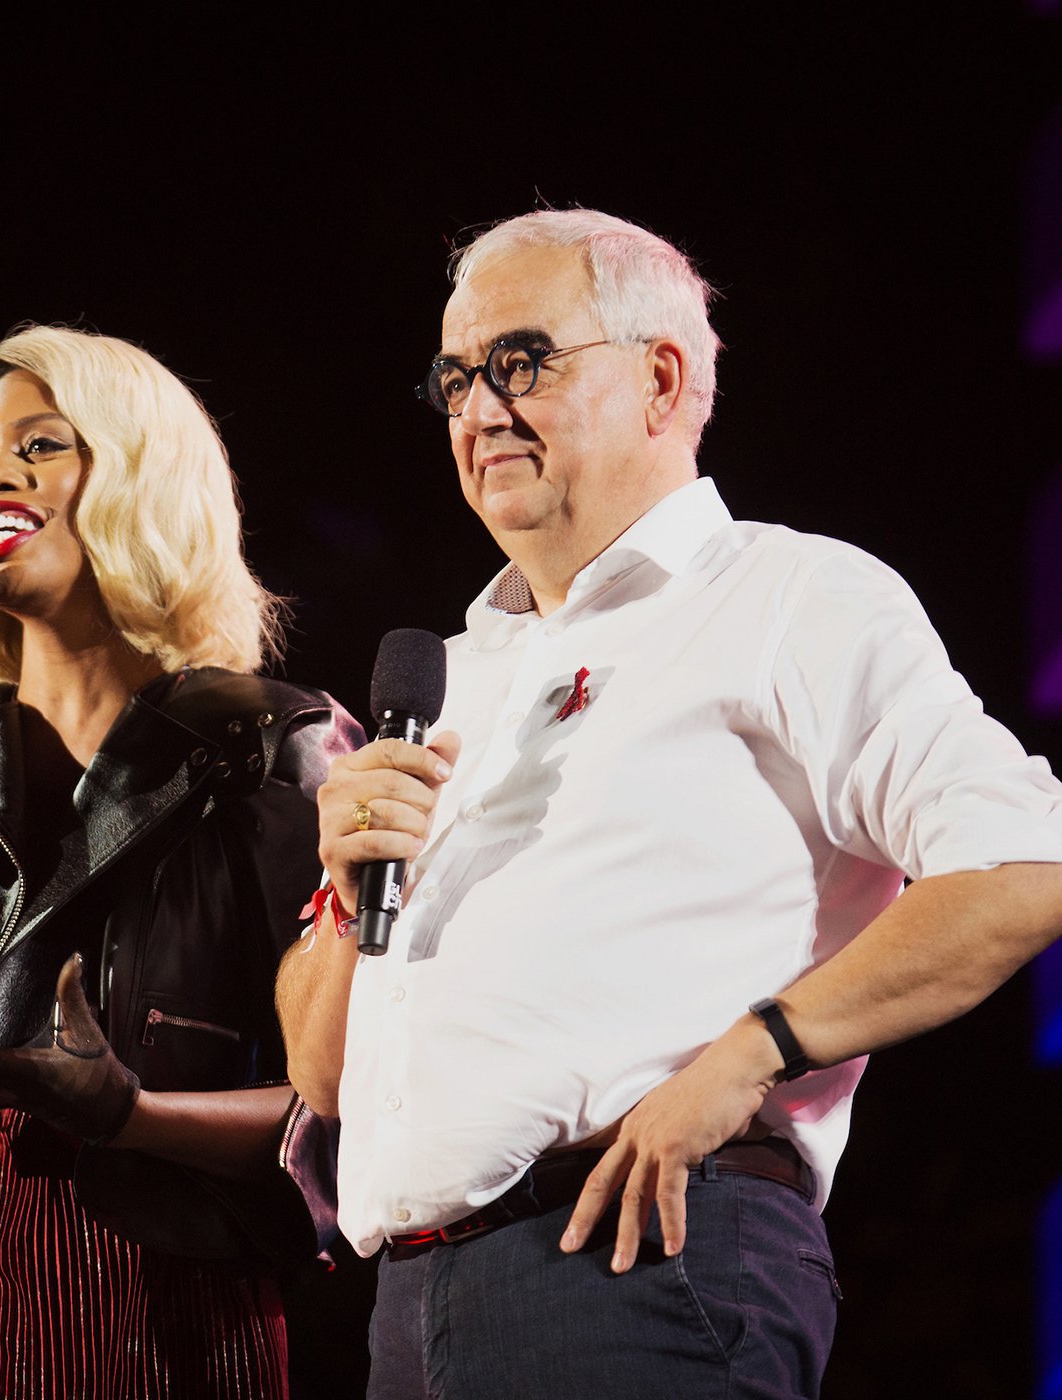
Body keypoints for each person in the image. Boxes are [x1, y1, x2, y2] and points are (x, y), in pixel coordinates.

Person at [275, 208, 1062, 1398]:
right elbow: (323, 1080)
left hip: (638, 1265)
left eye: (520, 362)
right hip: (412, 1309)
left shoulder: (789, 594)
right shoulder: (450, 675)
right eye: (454, 378)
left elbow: (1024, 863)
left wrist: (753, 1053)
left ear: (660, 376)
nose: (479, 407)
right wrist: (346, 896)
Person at [0, 324, 361, 1398]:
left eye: (41, 445)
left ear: (141, 474)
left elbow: (347, 1108)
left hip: (158, 1296)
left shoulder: (274, 744)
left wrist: (128, 1112)